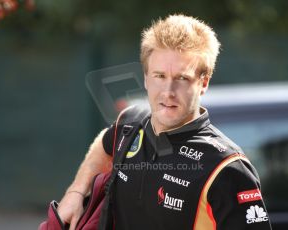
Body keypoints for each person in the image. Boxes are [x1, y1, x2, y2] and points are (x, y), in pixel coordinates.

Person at [57, 14, 272, 230]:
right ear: (145, 77)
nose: (168, 92)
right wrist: (75, 192)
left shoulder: (227, 168)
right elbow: (103, 146)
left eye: (182, 78)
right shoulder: (129, 123)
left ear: (203, 83)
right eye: (159, 76)